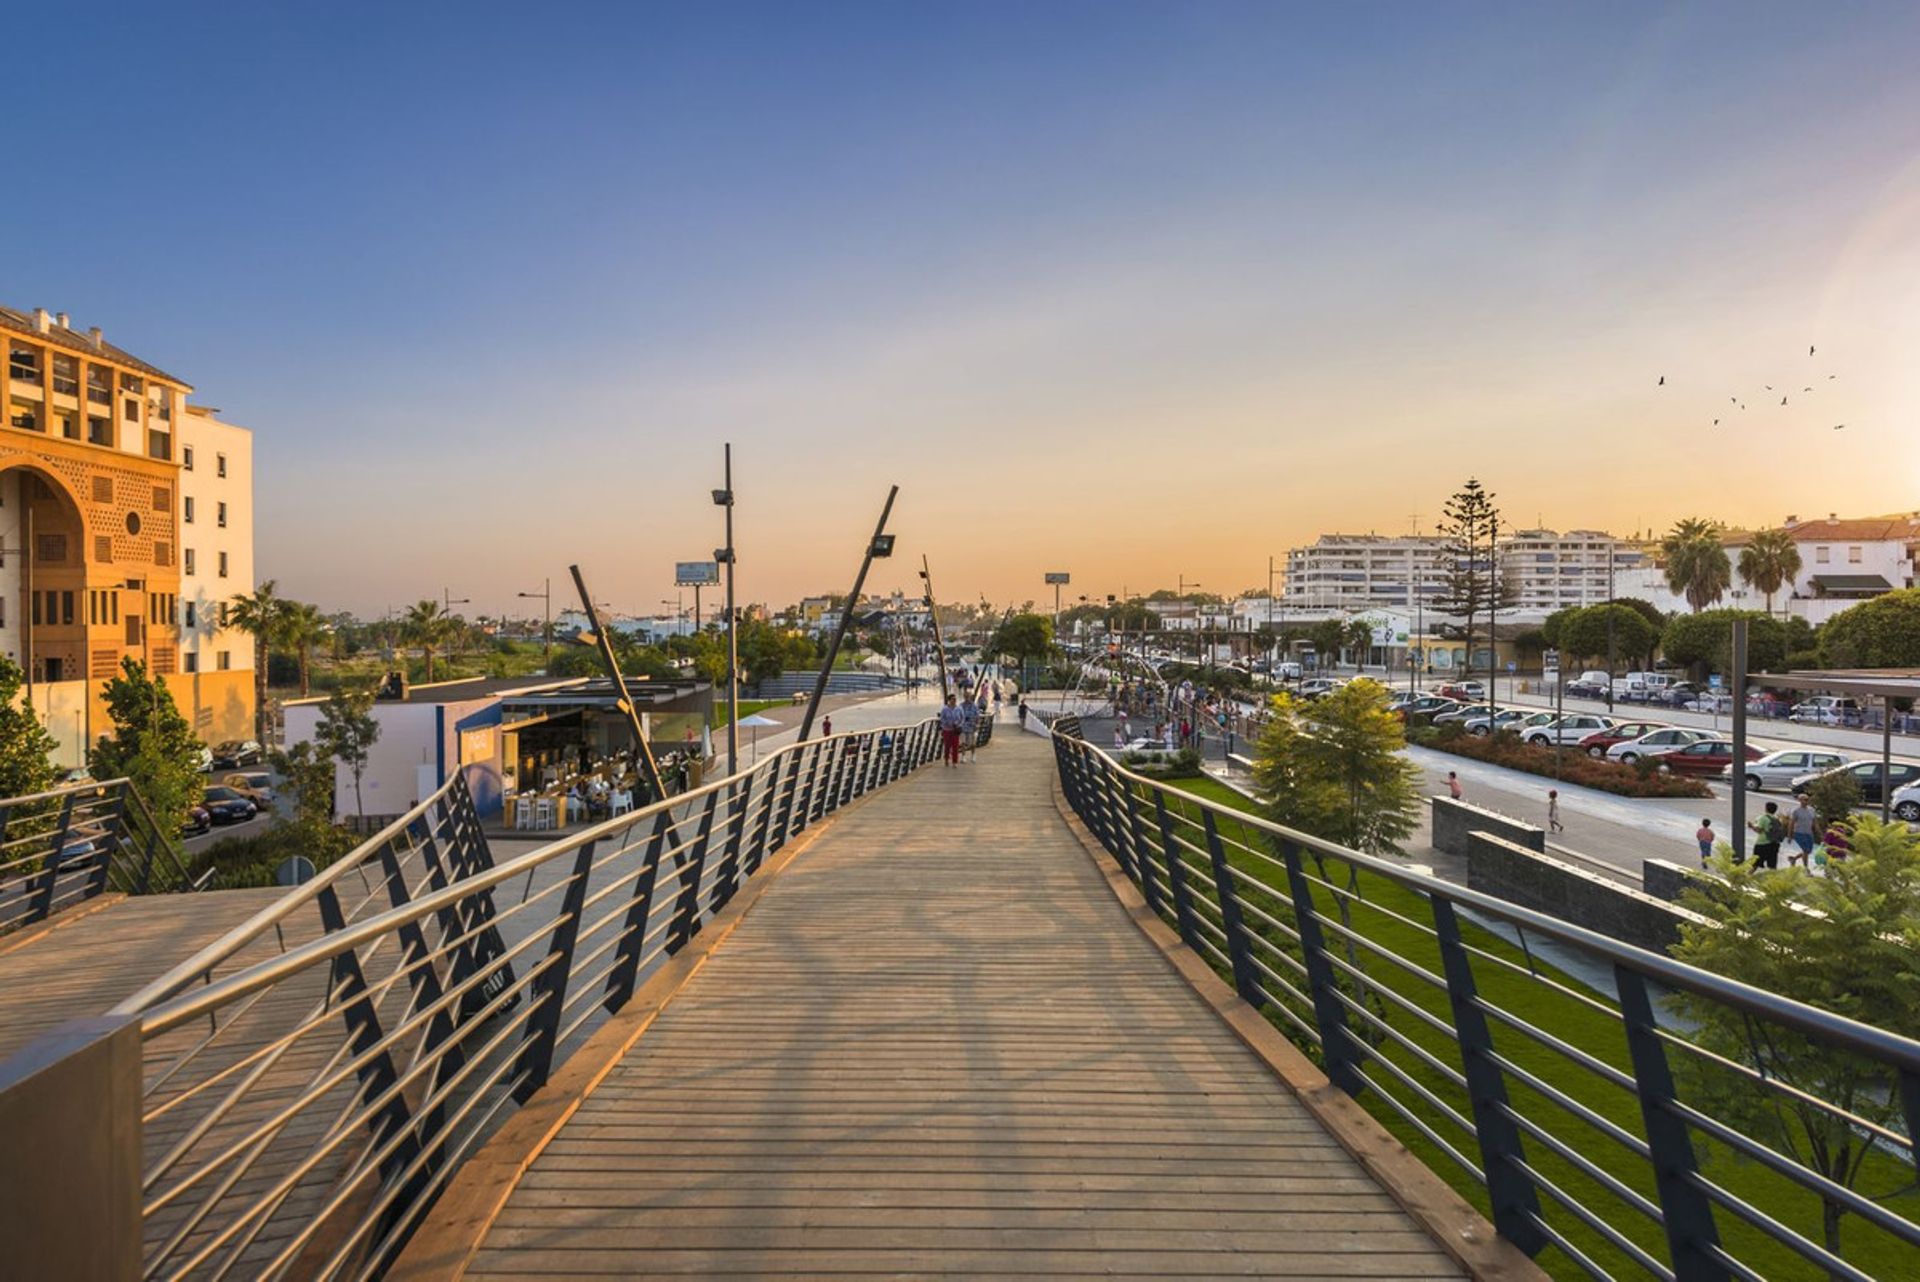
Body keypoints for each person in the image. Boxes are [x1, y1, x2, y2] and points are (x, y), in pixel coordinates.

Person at [1749, 801, 1784, 870]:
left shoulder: (1763, 818)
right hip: (1774, 844)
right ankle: (1774, 879)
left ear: (1766, 808)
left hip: (1762, 843)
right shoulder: (1777, 819)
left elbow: (1759, 830)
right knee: (1772, 866)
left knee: (1755, 864)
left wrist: (1751, 826)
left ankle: (1746, 877)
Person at [1787, 793, 1818, 867]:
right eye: (1805, 800)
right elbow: (1791, 823)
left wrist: (1819, 833)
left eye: (1808, 800)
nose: (1807, 801)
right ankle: (1806, 869)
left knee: (1808, 851)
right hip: (1799, 833)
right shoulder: (1796, 811)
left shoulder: (1811, 810)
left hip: (1809, 833)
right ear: (1800, 800)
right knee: (1806, 850)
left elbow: (1815, 822)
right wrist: (1789, 836)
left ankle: (1793, 859)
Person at [938, 694, 965, 767]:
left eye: (955, 699)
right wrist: (947, 723)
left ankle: (955, 762)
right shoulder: (945, 709)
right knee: (947, 745)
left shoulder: (959, 708)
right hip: (947, 730)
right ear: (949, 700)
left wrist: (959, 725)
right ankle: (946, 759)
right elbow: (942, 719)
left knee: (955, 746)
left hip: (956, 730)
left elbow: (962, 718)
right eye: (953, 699)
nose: (954, 700)